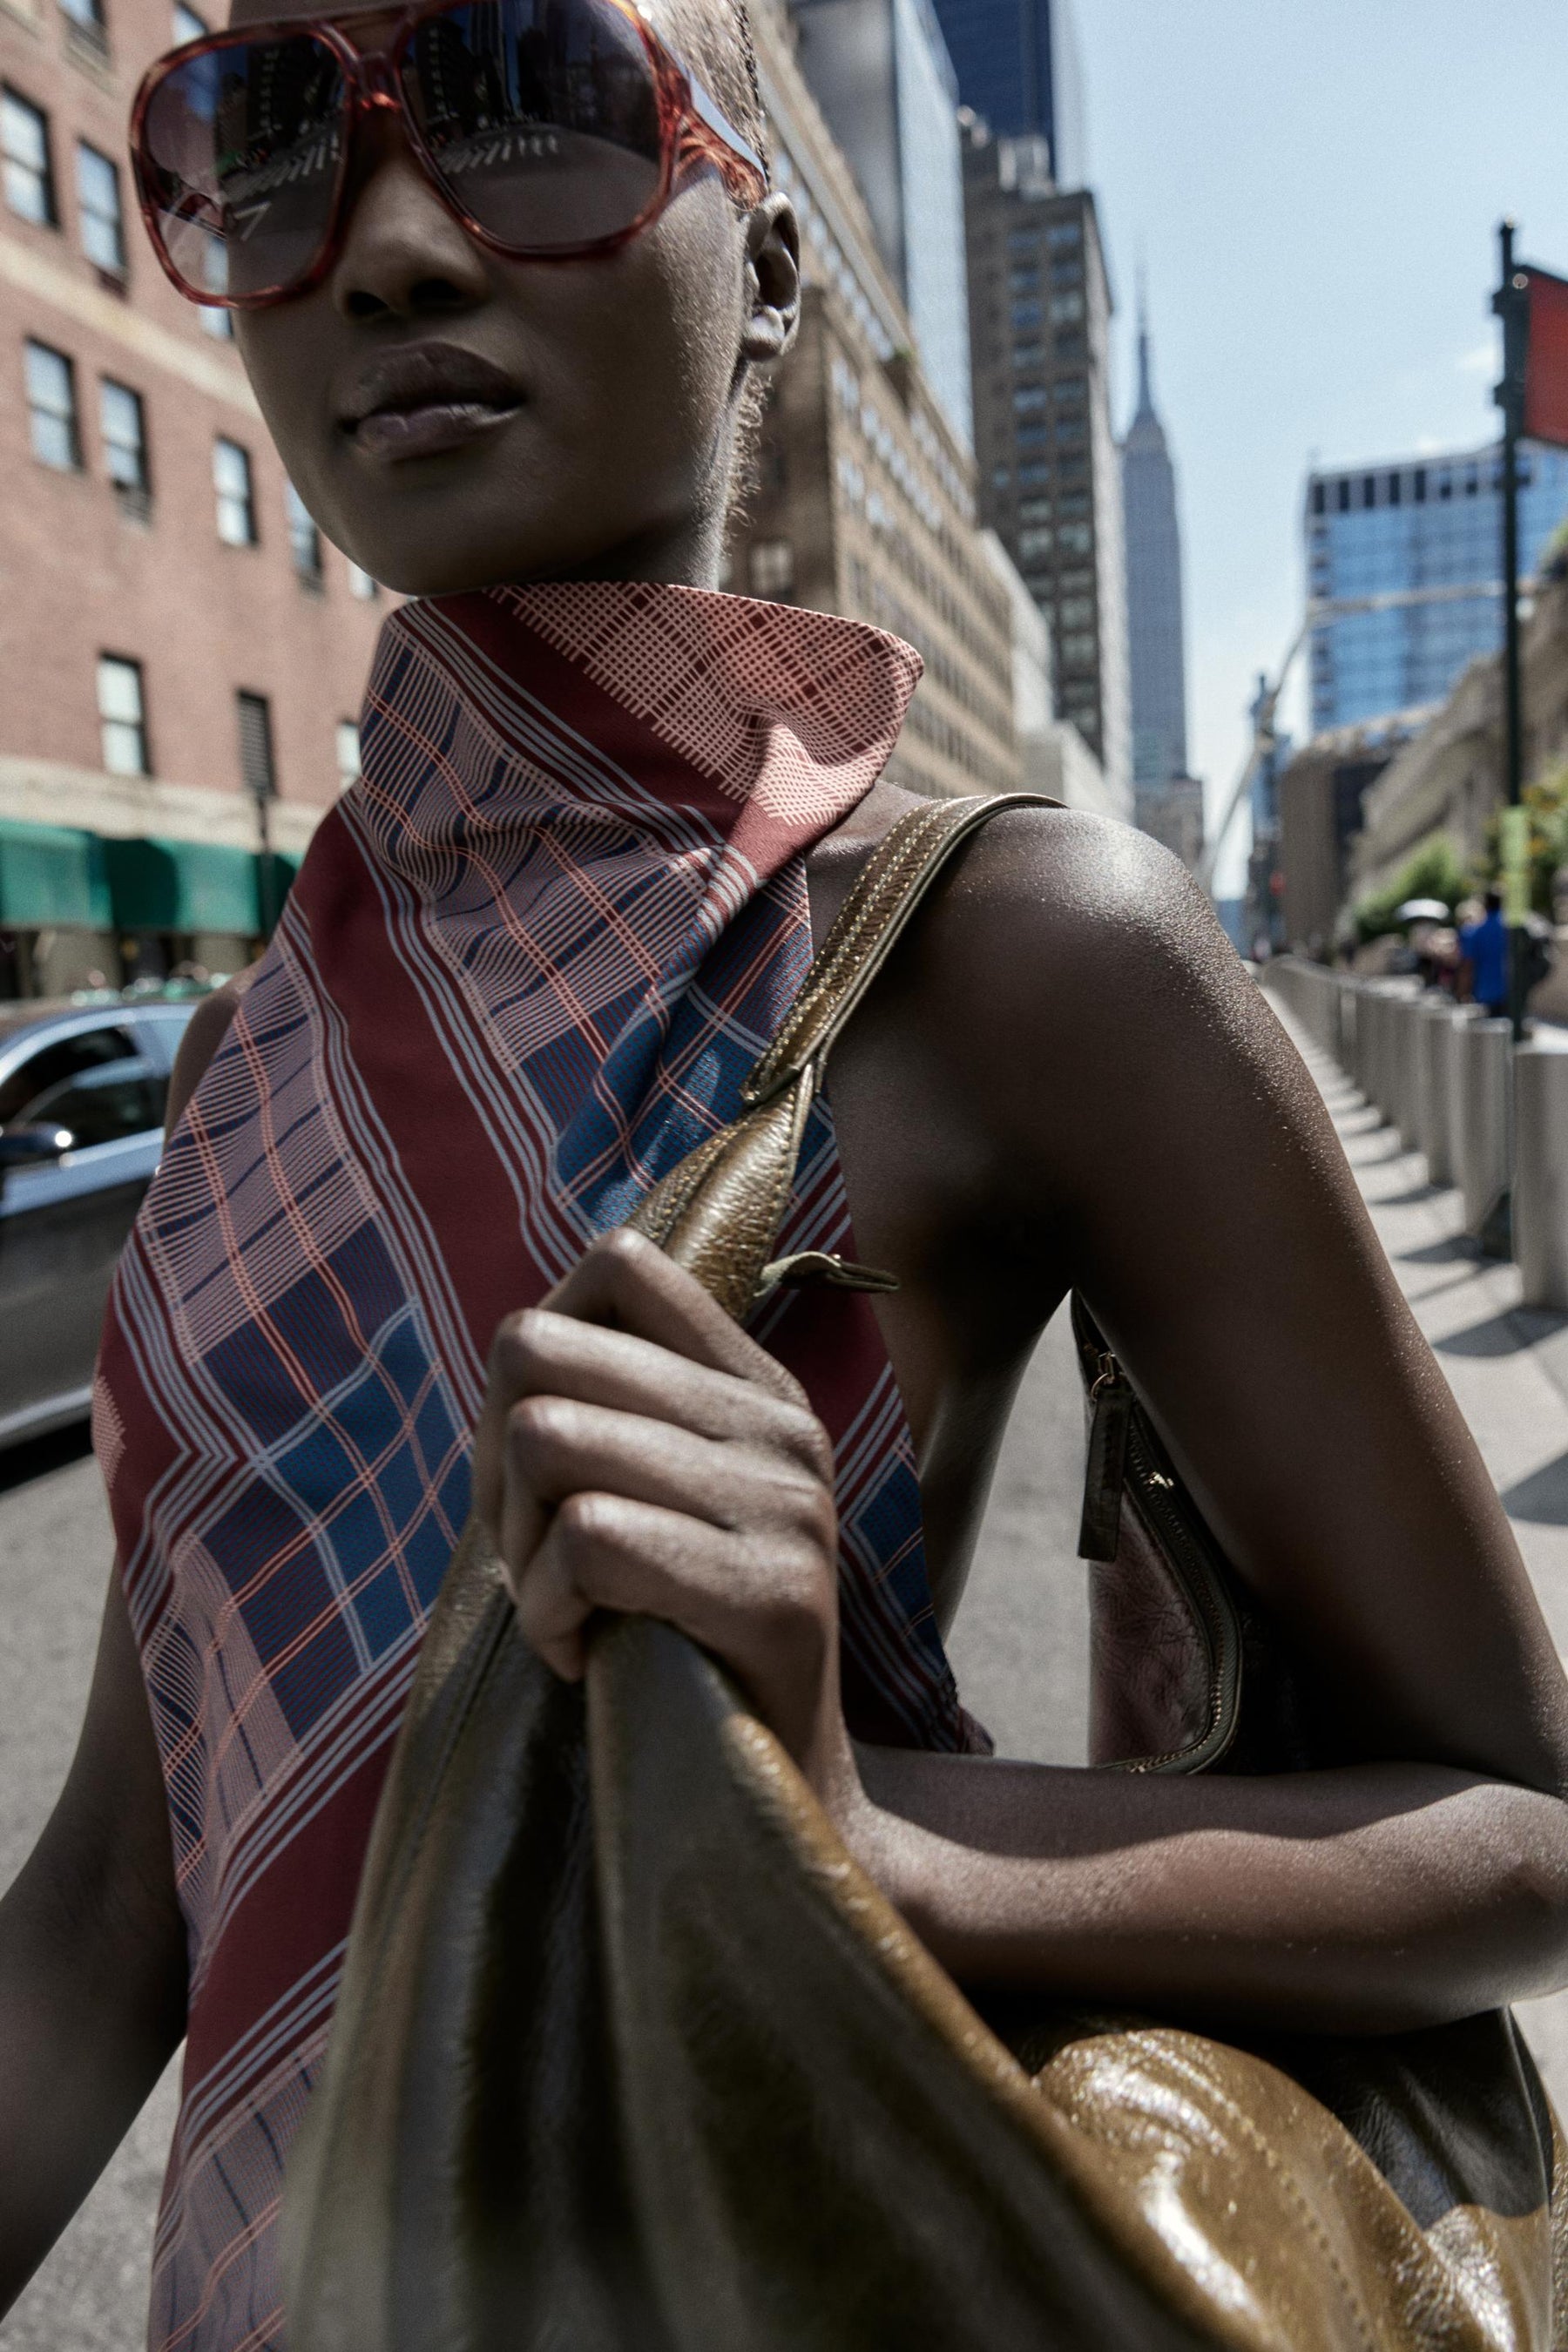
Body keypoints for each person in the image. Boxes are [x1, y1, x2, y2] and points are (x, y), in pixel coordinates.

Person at [6, 0, 1568, 2343]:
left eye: (535, 98)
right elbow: (114, 1911)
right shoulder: (248, 1052)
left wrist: (865, 1824)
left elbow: (1520, 1823)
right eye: (275, 132)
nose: (398, 239)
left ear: (772, 259)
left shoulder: (1020, 950)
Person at [1459, 887, 1511, 1014]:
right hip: (1511, 991)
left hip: (1485, 992)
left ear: (1485, 905)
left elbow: (1468, 964)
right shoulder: (1511, 930)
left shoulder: (1476, 931)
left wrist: (1463, 991)